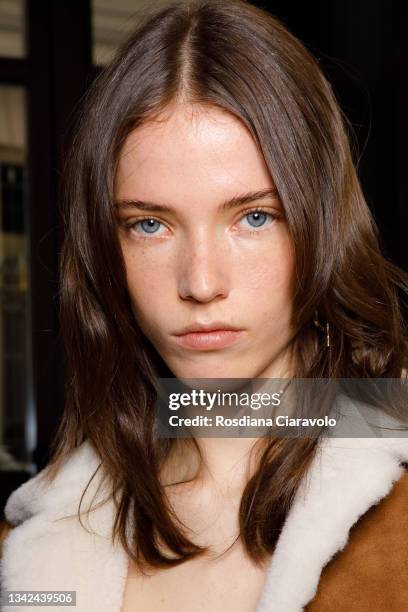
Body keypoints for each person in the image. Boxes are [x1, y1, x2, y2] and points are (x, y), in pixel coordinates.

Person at [1, 1, 408, 610]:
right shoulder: (32, 552)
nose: (200, 282)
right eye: (149, 225)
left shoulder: (396, 517)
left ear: (322, 228)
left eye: (253, 217)